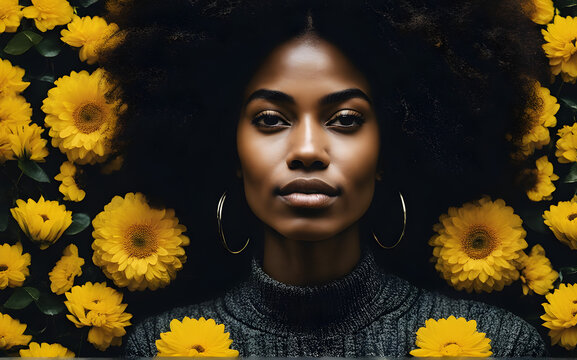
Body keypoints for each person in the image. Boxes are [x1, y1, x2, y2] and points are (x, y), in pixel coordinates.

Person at [99, 0, 549, 356]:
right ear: (227, 147)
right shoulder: (161, 348)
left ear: (388, 150)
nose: (309, 151)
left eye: (347, 119)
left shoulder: (496, 346)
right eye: (272, 119)